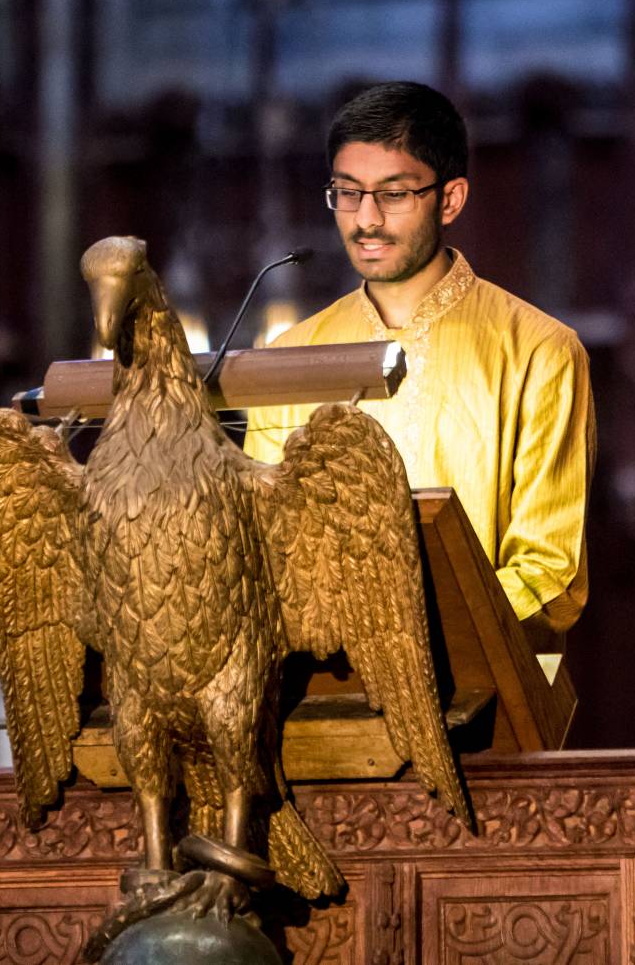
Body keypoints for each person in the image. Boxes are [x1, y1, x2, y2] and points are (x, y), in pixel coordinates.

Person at [244, 81, 596, 635]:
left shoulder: (538, 351)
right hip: (322, 668)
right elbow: (264, 549)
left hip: (480, 669)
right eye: (348, 192)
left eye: (394, 194)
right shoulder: (289, 358)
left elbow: (547, 573)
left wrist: (402, 627)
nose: (365, 220)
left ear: (450, 199)